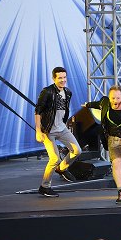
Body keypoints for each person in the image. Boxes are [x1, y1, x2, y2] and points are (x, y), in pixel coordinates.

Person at [34, 66, 81, 196]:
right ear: (54, 78)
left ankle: (62, 168)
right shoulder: (47, 92)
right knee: (54, 158)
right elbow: (38, 111)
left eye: (64, 77)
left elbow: (63, 110)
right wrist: (38, 130)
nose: (63, 80)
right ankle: (44, 186)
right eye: (60, 78)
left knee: (77, 150)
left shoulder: (68, 92)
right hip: (48, 130)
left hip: (62, 127)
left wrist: (64, 124)